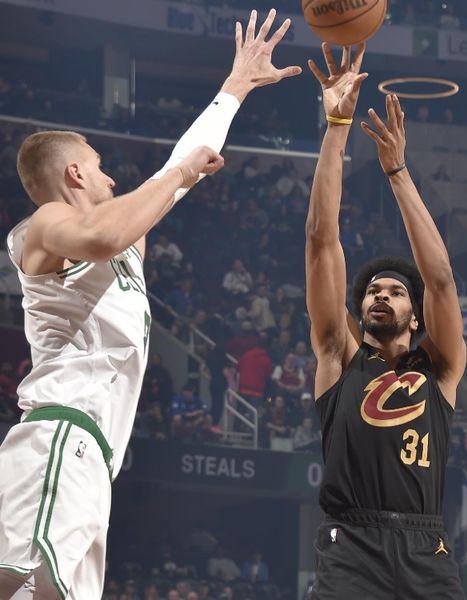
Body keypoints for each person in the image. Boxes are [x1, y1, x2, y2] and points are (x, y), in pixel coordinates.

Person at [0, 10, 301, 599]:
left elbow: (174, 172)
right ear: (76, 171)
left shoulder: (129, 240)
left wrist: (234, 88)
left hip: (96, 459)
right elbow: (109, 230)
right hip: (60, 434)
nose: (114, 178)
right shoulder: (48, 223)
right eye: (104, 167)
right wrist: (180, 174)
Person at [305, 44, 466, 599]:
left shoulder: (439, 368)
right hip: (352, 542)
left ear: (414, 315)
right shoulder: (339, 355)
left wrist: (397, 171)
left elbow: (441, 277)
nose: (381, 295)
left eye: (396, 292)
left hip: (427, 548)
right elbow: (322, 241)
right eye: (373, 291)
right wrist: (338, 126)